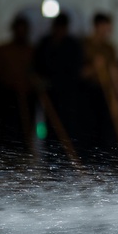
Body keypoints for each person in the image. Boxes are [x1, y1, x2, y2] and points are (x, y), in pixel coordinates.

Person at [34, 12, 84, 158]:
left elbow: (75, 69)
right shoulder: (45, 43)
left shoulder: (72, 45)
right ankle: (50, 155)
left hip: (68, 94)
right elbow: (38, 65)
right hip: (50, 93)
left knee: (68, 125)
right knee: (49, 124)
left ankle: (67, 156)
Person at [0, 15, 36, 155]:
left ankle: (22, 154)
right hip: (6, 96)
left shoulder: (31, 51)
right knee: (6, 128)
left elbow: (35, 73)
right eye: (19, 29)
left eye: (24, 29)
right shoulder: (3, 50)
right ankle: (4, 154)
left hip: (27, 96)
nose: (21, 32)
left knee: (24, 129)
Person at [79, 12, 118, 163]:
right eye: (105, 26)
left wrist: (116, 98)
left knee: (106, 132)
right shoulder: (85, 45)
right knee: (89, 129)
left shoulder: (109, 48)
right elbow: (79, 73)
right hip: (88, 93)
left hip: (105, 93)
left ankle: (103, 164)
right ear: (97, 26)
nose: (108, 30)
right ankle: (87, 163)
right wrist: (94, 67)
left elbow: (115, 72)